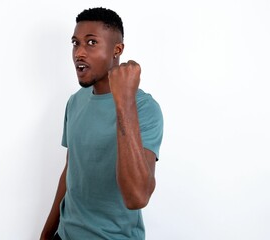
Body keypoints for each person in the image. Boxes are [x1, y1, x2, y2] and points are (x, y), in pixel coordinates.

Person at [40, 7, 163, 240]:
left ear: (117, 50)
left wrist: (124, 102)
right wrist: (47, 233)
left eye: (91, 43)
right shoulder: (75, 102)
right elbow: (71, 170)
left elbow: (137, 197)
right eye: (75, 43)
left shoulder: (145, 108)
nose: (79, 53)